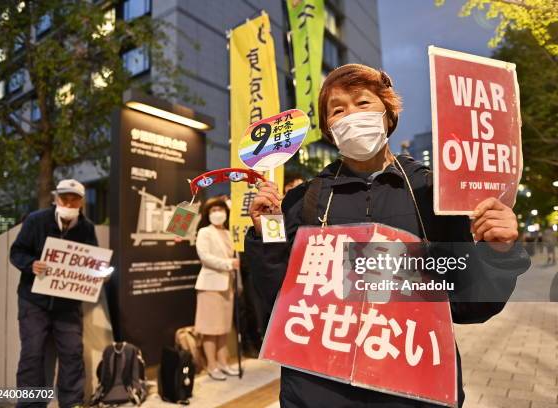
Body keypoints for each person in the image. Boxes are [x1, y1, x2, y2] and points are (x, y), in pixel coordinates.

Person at [245, 64, 531, 407]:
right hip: (318, 391)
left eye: (362, 103)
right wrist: (266, 232)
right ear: (329, 129)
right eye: (338, 110)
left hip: (414, 390)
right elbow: (278, 297)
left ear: (388, 113)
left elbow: (470, 304)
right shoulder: (302, 200)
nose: (351, 115)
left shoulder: (433, 193)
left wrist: (498, 253)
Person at [10, 179, 98, 408]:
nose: (68, 202)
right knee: (32, 354)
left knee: (72, 353)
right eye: (64, 197)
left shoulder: (87, 228)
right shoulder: (35, 220)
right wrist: (31, 264)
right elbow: (17, 251)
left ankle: (72, 403)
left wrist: (98, 274)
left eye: (74, 198)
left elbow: (91, 261)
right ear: (56, 198)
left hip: (68, 304)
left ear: (81, 202)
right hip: (33, 301)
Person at [194, 197, 240, 380]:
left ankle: (223, 362)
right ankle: (212, 365)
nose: (217, 213)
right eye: (213, 210)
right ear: (208, 214)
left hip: (227, 285)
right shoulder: (205, 232)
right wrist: (229, 263)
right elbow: (204, 256)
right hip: (210, 285)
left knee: (223, 328)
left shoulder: (229, 233)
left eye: (220, 209)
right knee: (210, 328)